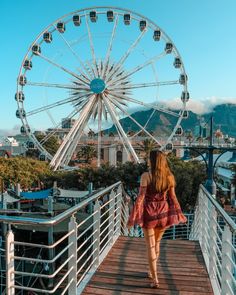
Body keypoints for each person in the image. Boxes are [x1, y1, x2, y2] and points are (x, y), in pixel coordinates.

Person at [127, 150, 187, 288]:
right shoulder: (170, 176)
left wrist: (133, 217)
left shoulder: (146, 176)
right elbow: (173, 198)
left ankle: (155, 279)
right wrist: (179, 213)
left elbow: (140, 198)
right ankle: (151, 270)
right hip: (164, 213)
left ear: (152, 161)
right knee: (157, 244)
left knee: (150, 246)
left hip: (149, 213)